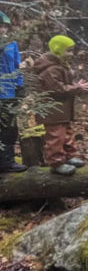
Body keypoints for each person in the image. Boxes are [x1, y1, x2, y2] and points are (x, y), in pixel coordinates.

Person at [33, 35, 88, 175]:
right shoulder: (50, 69)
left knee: (67, 134)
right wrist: (77, 87)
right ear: (58, 50)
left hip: (62, 110)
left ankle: (69, 157)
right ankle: (56, 162)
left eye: (72, 51)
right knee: (55, 137)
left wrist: (77, 87)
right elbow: (58, 89)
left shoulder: (61, 66)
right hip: (52, 111)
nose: (71, 54)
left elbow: (65, 86)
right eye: (68, 51)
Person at [0, 12, 27, 172]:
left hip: (9, 93)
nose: (2, 29)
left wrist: (20, 86)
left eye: (4, 26)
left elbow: (17, 66)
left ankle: (7, 162)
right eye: (0, 26)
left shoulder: (12, 44)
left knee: (10, 128)